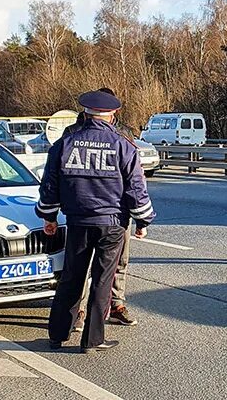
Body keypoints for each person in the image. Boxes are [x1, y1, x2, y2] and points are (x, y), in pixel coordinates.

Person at [36, 89, 155, 352]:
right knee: (103, 280)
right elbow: (136, 189)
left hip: (78, 221)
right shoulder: (123, 145)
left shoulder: (65, 143)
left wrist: (49, 216)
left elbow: (50, 186)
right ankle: (92, 340)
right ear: (112, 115)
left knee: (71, 277)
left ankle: (57, 334)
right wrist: (143, 222)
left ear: (85, 112)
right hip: (112, 224)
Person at [63, 88, 139, 332]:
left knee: (120, 262)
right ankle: (80, 311)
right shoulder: (72, 133)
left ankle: (116, 304)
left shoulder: (123, 133)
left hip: (118, 213)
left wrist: (139, 213)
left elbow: (133, 175)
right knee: (82, 267)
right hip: (85, 212)